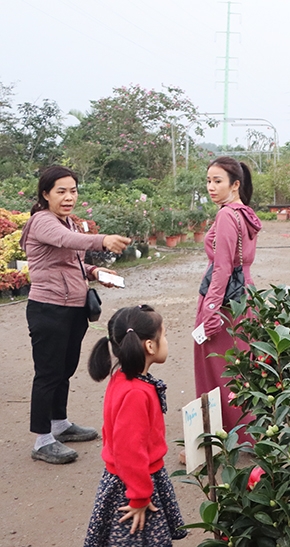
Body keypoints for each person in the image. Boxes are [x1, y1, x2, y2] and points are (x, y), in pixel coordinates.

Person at [20, 165, 131, 465]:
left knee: (65, 368)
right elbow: (69, 243)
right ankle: (42, 440)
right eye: (61, 191)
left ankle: (60, 424)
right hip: (48, 308)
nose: (69, 197)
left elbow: (72, 262)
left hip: (73, 307)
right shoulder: (42, 221)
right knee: (48, 373)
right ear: (45, 194)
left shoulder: (68, 221)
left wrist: (96, 272)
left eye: (73, 190)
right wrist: (103, 239)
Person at [84, 305, 187, 545]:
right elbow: (128, 450)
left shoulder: (123, 378)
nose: (167, 341)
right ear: (150, 346)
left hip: (132, 479)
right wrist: (140, 497)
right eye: (164, 335)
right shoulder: (135, 393)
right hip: (132, 485)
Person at [195, 157, 261, 439]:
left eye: (217, 181)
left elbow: (222, 267)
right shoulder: (245, 213)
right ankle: (248, 432)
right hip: (245, 296)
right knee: (238, 368)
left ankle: (219, 436)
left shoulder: (225, 215)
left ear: (235, 184)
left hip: (222, 302)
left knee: (216, 369)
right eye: (208, 181)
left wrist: (209, 311)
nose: (211, 187)